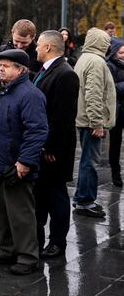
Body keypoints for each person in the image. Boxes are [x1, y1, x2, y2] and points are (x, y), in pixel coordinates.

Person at [0, 49, 48, 276]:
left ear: (20, 70)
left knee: (20, 213)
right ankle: (6, 249)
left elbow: (37, 131)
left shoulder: (30, 95)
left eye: (6, 65)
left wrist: (24, 162)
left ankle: (28, 257)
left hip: (15, 165)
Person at [33, 30, 80, 258]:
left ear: (49, 48)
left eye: (39, 45)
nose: (36, 49)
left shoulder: (65, 74)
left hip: (54, 149)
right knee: (42, 192)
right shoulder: (47, 70)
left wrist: (51, 148)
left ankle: (58, 242)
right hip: (43, 147)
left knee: (57, 195)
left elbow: (63, 117)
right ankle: (39, 237)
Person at [73, 28, 116, 217]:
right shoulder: (97, 62)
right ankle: (85, 201)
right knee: (90, 162)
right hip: (90, 121)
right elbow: (94, 94)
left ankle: (84, 198)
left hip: (84, 118)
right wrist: (97, 123)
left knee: (86, 161)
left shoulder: (85, 58)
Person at [107, 37, 124, 188]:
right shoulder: (109, 65)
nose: (123, 55)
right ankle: (115, 174)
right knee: (115, 144)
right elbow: (112, 88)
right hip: (116, 112)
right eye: (121, 52)